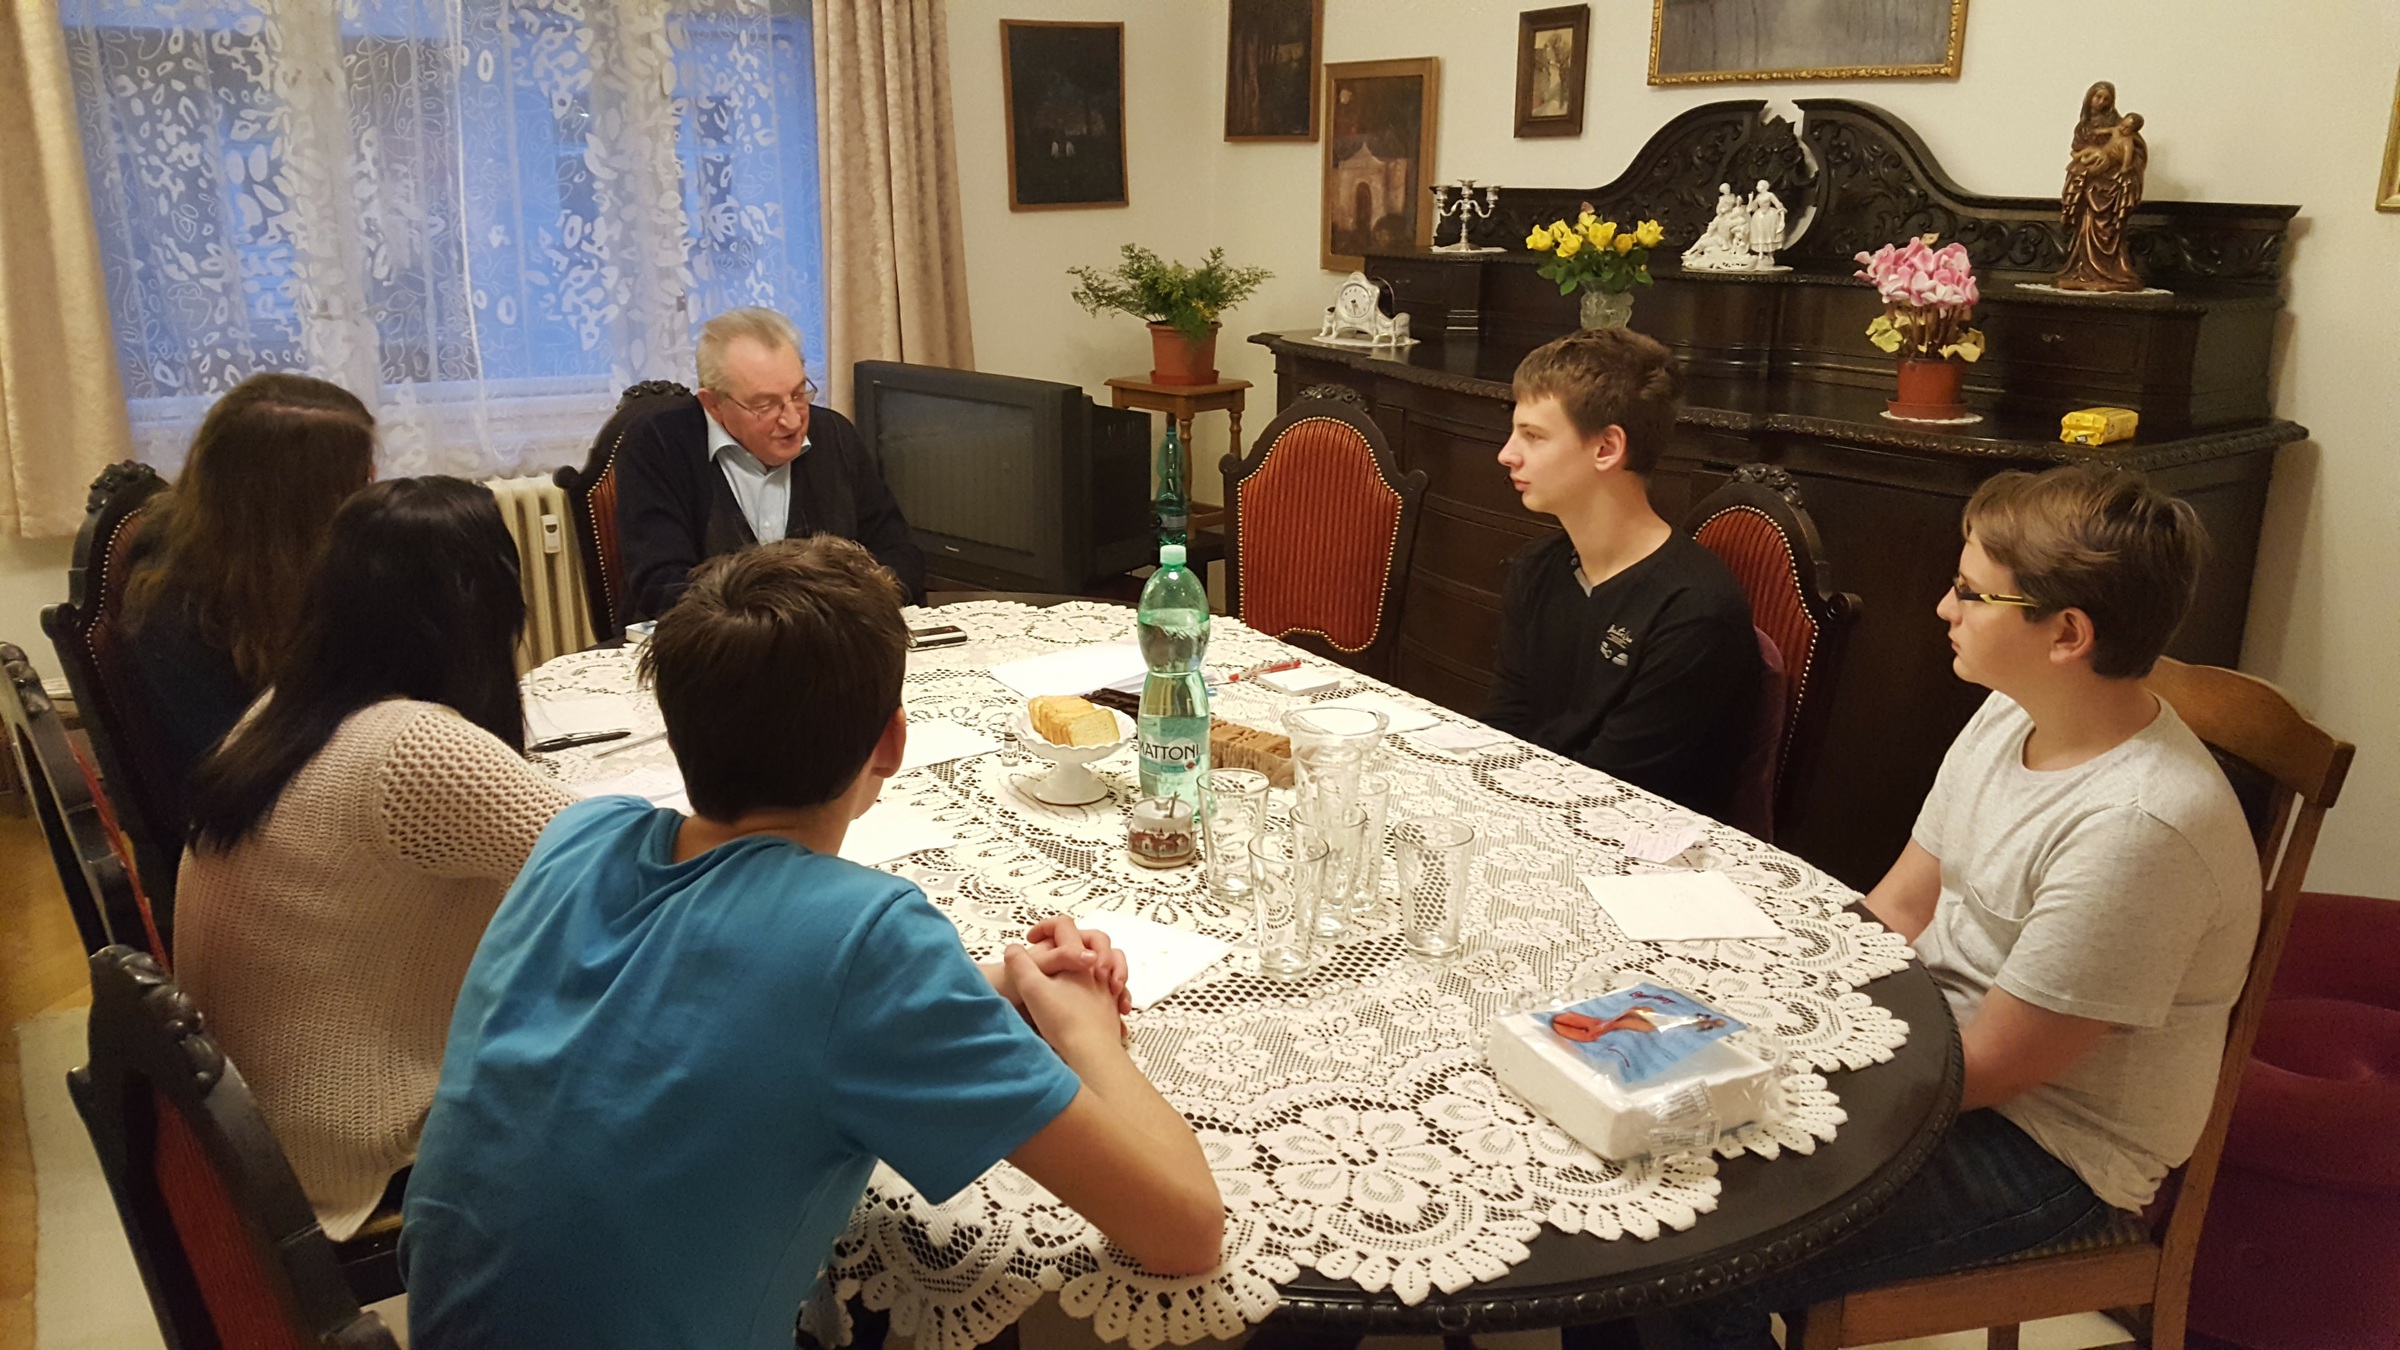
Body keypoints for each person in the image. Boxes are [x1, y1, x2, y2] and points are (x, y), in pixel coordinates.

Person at [399, 536, 1225, 1348]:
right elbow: (1184, 1231)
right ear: (892, 743)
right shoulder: (866, 942)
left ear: (678, 731)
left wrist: (990, 984)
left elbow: (724, 996)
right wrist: (1083, 1027)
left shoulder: (578, 836)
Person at [1633, 464, 2261, 1349]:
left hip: (2045, 1147)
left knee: (1698, 1248)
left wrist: (1783, 1081)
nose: (1943, 607)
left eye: (1971, 592)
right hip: (1935, 1049)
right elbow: (1898, 906)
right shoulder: (2015, 711)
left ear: (2067, 634)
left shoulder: (2140, 828)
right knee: (1652, 1130)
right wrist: (1758, 1009)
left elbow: (1998, 1067)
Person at [173, 476, 578, 1240]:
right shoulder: (413, 747)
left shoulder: (284, 712)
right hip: (361, 1148)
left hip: (259, 1133)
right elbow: (618, 866)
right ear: (485, 604)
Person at [1484, 328, 1761, 819]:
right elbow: (1506, 724)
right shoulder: (1537, 568)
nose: (1507, 454)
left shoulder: (1694, 610)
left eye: (1533, 435)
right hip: (1536, 812)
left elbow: (1618, 789)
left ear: (1607, 448)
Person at [120, 373, 377, 819]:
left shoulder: (281, 571)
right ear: (293, 503)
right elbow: (253, 778)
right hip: (265, 830)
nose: (371, 491)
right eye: (355, 481)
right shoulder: (176, 615)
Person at [614, 307, 927, 619]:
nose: (792, 421)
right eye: (765, 405)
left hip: (834, 637)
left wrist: (853, 608)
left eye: (798, 395)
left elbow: (899, 556)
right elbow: (663, 586)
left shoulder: (835, 435)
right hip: (711, 644)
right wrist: (786, 619)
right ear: (713, 404)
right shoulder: (657, 444)